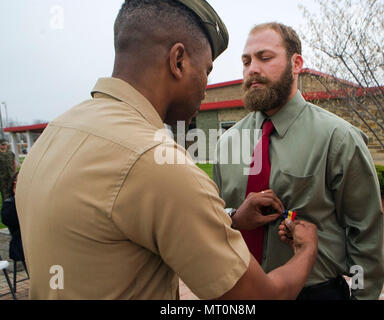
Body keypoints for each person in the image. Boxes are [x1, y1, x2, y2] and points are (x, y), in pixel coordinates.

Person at [16, 0, 318, 300]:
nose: (205, 85)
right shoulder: (158, 163)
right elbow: (259, 298)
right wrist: (307, 251)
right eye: (206, 69)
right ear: (178, 61)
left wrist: (231, 218)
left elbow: (118, 223)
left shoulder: (55, 133)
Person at [213, 22, 384, 300]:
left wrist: (361, 296)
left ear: (296, 63)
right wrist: (233, 217)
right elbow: (214, 215)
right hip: (239, 293)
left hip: (315, 293)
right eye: (246, 61)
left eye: (264, 58)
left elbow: (365, 235)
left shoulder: (338, 139)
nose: (252, 69)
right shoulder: (228, 142)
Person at [1, 172, 27, 269]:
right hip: (21, 244)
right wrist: (17, 197)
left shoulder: (31, 200)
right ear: (15, 184)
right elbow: (7, 220)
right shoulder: (10, 204)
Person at [0, 139, 16, 203]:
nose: (4, 146)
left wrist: (14, 174)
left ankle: (13, 206)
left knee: (13, 192)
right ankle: (6, 207)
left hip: (11, 177)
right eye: (2, 145)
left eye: (5, 144)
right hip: (2, 178)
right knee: (5, 194)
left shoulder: (11, 153)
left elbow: (14, 163)